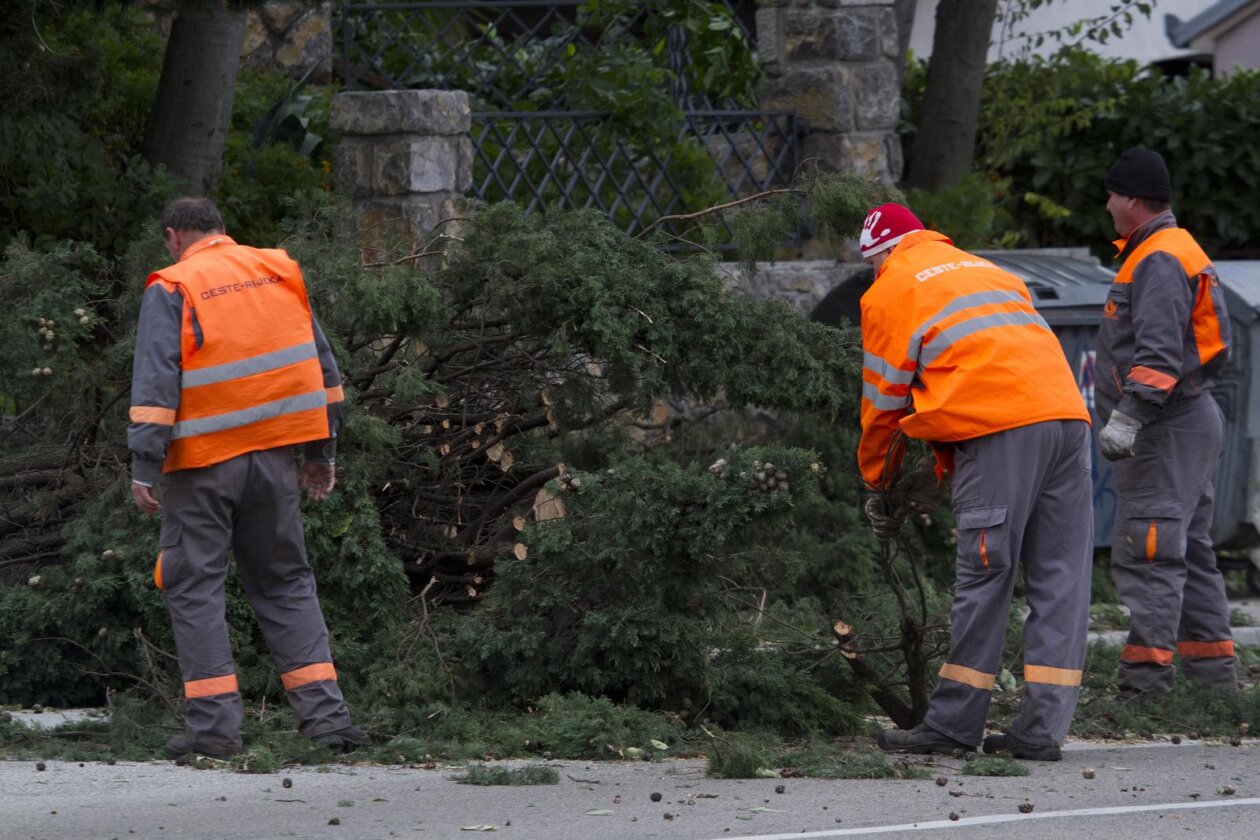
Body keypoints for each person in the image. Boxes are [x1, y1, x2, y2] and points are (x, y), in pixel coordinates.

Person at [128, 197, 367, 759]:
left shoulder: (174, 285)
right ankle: (328, 723)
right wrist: (322, 453)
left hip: (203, 466)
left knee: (195, 587)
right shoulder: (277, 270)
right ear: (221, 229)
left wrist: (144, 465)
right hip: (275, 462)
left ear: (173, 236)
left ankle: (215, 733)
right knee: (285, 582)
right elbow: (323, 370)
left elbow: (157, 381)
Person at [858, 203, 1094, 761]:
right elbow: (985, 361)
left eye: (871, 265)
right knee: (1061, 580)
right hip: (1068, 420)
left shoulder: (890, 289)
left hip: (1000, 427)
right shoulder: (989, 270)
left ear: (882, 254)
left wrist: (880, 479)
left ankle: (953, 725)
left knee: (985, 576)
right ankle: (1041, 731)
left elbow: (884, 399)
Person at [1096, 147, 1235, 698]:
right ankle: (1212, 680)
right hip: (1188, 419)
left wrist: (1128, 417)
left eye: (1111, 196)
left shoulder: (1156, 258)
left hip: (1165, 425)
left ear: (1132, 199)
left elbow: (1157, 353)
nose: (1108, 206)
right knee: (1189, 549)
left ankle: (1145, 684)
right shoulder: (1173, 248)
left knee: (1149, 549)